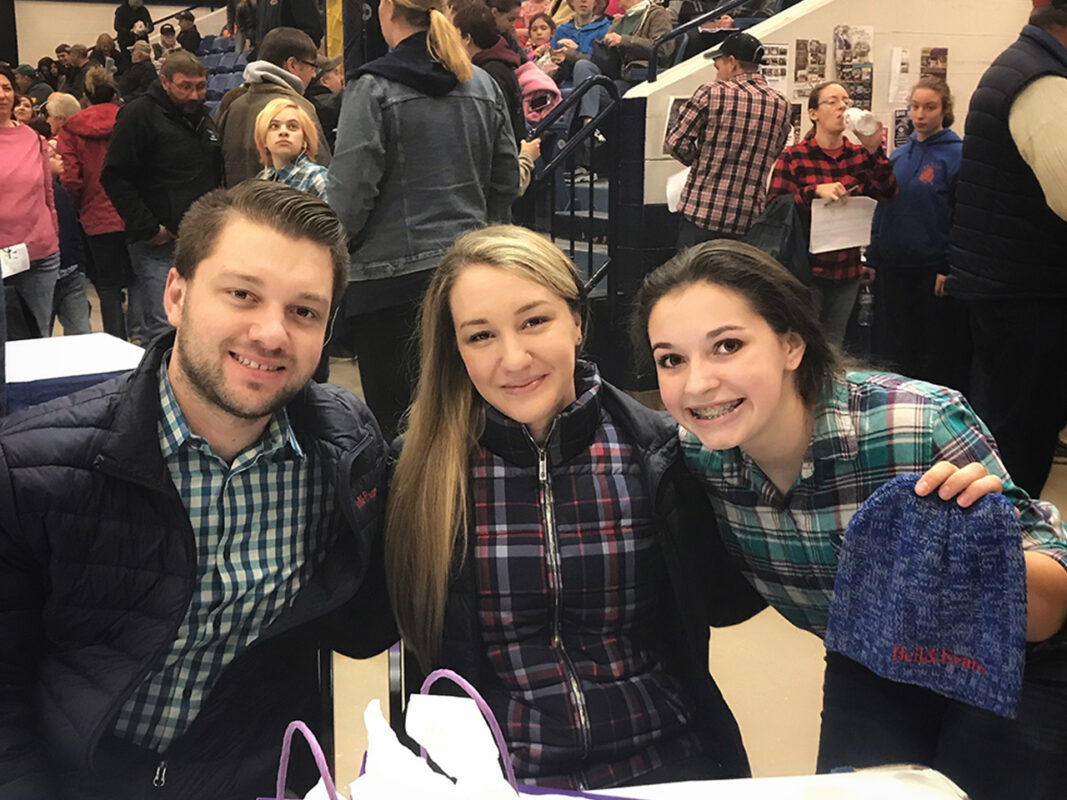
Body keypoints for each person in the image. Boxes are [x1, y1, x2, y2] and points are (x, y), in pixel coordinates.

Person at [0, 181, 394, 798]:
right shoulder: (30, 469)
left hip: (261, 769)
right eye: (242, 294)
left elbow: (368, 622)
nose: (271, 334)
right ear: (177, 294)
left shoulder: (345, 449)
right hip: (82, 777)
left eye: (304, 311)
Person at [637, 240, 1067, 800]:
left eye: (727, 345)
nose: (696, 384)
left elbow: (1055, 601)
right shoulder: (694, 458)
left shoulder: (916, 423)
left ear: (792, 344)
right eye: (671, 359)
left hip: (1022, 660)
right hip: (873, 655)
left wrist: (989, 555)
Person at [386, 225, 764, 789]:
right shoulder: (414, 473)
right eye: (480, 336)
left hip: (663, 763)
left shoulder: (659, 453)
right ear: (456, 349)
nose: (513, 358)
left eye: (535, 321)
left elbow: (747, 580)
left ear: (578, 321)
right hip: (499, 775)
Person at [329, 0, 518, 439]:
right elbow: (506, 181)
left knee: (401, 433)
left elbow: (348, 201)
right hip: (466, 279)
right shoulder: (482, 84)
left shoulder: (372, 86)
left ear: (387, 9)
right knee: (468, 423)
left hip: (387, 290)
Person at [947, 0, 1067, 499]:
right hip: (1028, 296)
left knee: (1012, 436)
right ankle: (1005, 557)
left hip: (1014, 287)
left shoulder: (1027, 67)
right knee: (1017, 445)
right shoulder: (1040, 81)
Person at [102, 50, 222, 345]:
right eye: (186, 86)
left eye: (201, 86)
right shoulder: (138, 115)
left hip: (200, 239)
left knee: (201, 324)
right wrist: (149, 229)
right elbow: (114, 176)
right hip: (158, 243)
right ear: (165, 82)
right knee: (166, 328)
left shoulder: (204, 119)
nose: (195, 94)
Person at [767, 81, 897, 346]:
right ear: (813, 113)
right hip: (805, 270)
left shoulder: (859, 156)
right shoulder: (794, 157)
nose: (842, 107)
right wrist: (814, 192)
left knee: (833, 346)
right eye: (832, 101)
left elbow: (887, 192)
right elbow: (775, 207)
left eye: (845, 101)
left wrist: (874, 149)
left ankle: (827, 389)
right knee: (801, 345)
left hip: (846, 269)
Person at [866, 78, 967, 391]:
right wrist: (873, 255)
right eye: (915, 106)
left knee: (930, 354)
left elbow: (961, 217)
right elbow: (883, 208)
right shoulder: (899, 155)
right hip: (893, 268)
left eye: (929, 107)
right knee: (893, 351)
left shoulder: (957, 155)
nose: (920, 114)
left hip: (930, 272)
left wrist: (947, 267)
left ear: (944, 110)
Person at [665, 32, 790, 249]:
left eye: (717, 67)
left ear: (731, 63)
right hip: (747, 219)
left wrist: (700, 162)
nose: (716, 75)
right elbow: (775, 151)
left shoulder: (711, 93)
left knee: (693, 279)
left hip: (702, 211)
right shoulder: (780, 103)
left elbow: (675, 142)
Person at [57, 66, 134, 340]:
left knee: (108, 286)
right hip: (134, 213)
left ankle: (116, 341)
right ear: (113, 93)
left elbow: (72, 180)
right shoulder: (130, 119)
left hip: (94, 215)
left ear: (86, 95)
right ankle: (142, 342)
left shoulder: (71, 128)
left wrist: (79, 207)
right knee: (137, 282)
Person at [216, 26, 331, 186]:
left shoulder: (234, 106)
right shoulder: (297, 108)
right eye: (312, 66)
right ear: (292, 64)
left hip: (238, 207)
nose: (313, 74)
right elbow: (320, 163)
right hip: (284, 209)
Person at [0, 65, 60, 340]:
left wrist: (53, 235)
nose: (2, 95)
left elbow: (47, 194)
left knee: (38, 339)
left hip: (40, 254)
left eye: (6, 88)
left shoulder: (33, 139)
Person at [454, 1, 526, 144]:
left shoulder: (490, 73)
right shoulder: (498, 63)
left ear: (467, 39)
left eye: (456, 35)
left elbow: (497, 125)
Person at [45, 139, 93, 335]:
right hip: (42, 276)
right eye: (52, 156)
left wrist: (80, 266)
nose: (60, 158)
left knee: (81, 333)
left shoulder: (61, 193)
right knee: (38, 336)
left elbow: (73, 233)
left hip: (71, 273)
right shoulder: (34, 195)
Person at [253, 97, 329, 200]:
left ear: (304, 139)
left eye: (292, 126)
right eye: (274, 126)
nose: (283, 132)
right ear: (264, 140)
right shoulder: (262, 179)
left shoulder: (317, 178)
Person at [303, 53, 344, 150]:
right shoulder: (326, 105)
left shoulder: (306, 103)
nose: (341, 77)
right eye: (336, 73)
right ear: (324, 81)